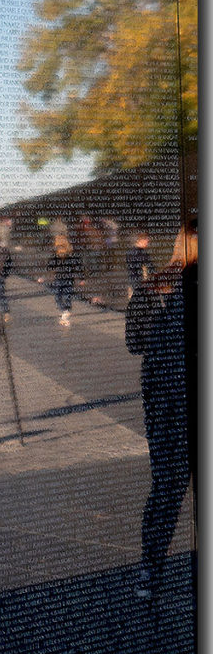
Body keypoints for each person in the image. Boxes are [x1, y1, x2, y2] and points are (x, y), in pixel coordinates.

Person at [127, 223, 197, 599]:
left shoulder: (152, 286)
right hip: (181, 401)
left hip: (165, 403)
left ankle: (149, 569)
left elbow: (133, 343)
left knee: (166, 490)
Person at [47, 234, 83, 327]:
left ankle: (65, 312)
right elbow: (50, 265)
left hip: (64, 278)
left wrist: (82, 278)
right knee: (62, 296)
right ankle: (65, 312)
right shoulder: (57, 254)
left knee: (63, 296)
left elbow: (78, 266)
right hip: (63, 278)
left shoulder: (69, 254)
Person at [126, 230, 153, 299]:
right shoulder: (143, 254)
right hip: (141, 284)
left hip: (133, 283)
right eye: (146, 239)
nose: (148, 241)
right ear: (140, 240)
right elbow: (150, 269)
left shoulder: (129, 252)